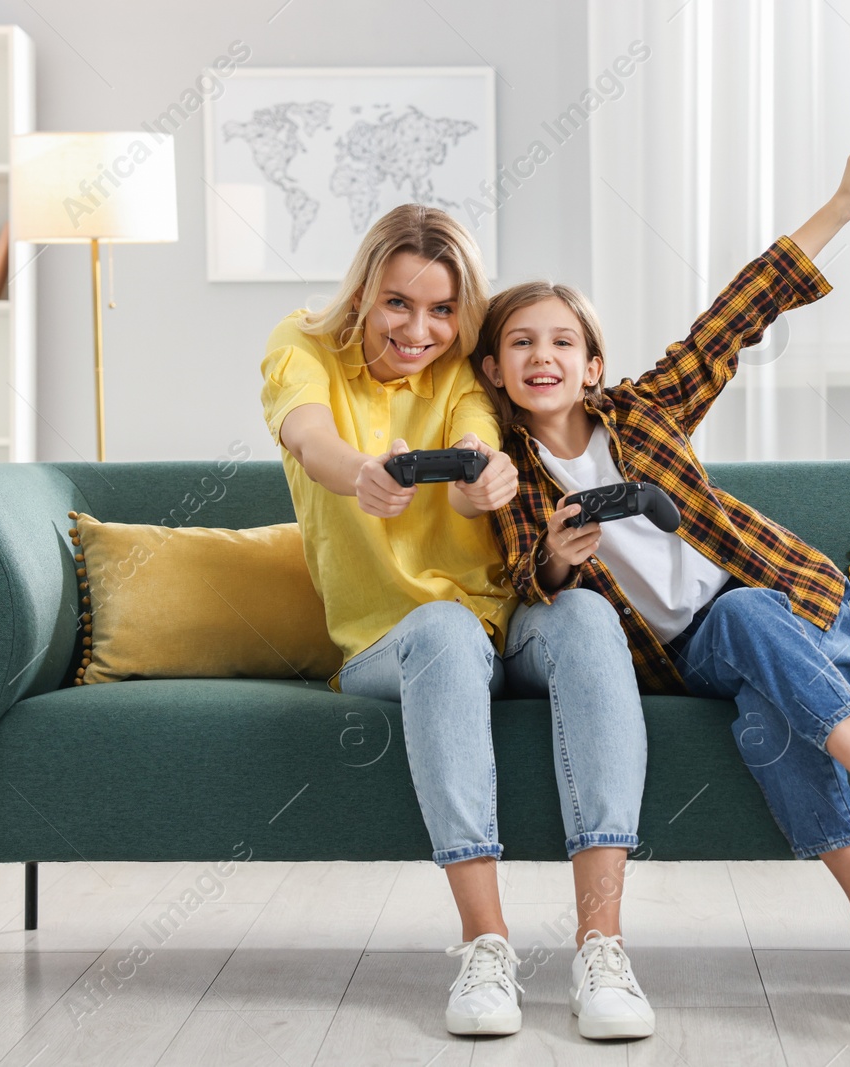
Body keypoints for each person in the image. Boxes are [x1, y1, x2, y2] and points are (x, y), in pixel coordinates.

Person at [477, 151, 850, 1023]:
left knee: (758, 647)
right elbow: (523, 579)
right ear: (495, 369)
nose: (544, 355)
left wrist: (839, 206)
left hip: (794, 604)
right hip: (691, 656)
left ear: (594, 363)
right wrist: (562, 559)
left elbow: (738, 311)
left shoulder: (647, 411)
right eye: (522, 342)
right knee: (762, 711)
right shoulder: (512, 478)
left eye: (562, 341)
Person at [261, 204, 653, 1039]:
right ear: (365, 291)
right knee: (439, 624)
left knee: (582, 611)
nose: (419, 329)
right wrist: (359, 472)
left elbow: (484, 445)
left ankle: (602, 947)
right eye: (399, 303)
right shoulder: (300, 345)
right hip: (395, 642)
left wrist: (488, 481)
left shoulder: (464, 370)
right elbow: (307, 436)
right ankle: (486, 946)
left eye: (441, 310)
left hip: (505, 623)